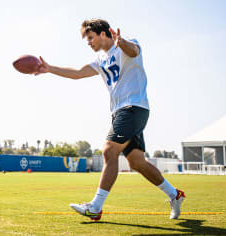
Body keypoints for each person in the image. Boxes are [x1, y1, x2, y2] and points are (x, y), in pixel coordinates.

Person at [35, 19, 185, 221]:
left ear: (104, 33)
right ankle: (174, 195)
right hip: (120, 112)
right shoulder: (100, 59)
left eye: (90, 37)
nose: (88, 42)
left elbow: (133, 51)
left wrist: (121, 41)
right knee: (137, 163)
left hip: (133, 107)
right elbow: (78, 73)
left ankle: (95, 207)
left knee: (108, 150)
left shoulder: (126, 44)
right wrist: (49, 68)